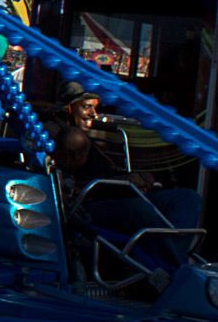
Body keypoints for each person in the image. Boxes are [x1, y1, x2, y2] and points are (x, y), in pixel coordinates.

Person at [52, 84, 202, 270]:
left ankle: (169, 267)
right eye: (87, 106)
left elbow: (107, 172)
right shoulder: (60, 138)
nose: (93, 114)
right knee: (137, 210)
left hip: (117, 193)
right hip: (89, 205)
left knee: (187, 199)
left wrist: (135, 178)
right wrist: (118, 183)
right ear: (70, 107)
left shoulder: (87, 137)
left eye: (95, 107)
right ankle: (173, 270)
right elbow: (62, 186)